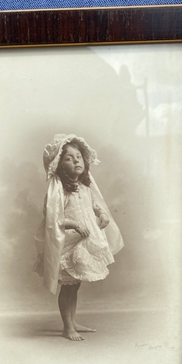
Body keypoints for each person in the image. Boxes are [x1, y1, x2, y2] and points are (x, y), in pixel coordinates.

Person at [34, 134, 124, 341]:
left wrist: (102, 215)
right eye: (69, 158)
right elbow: (52, 219)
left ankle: (72, 322)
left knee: (75, 286)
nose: (76, 161)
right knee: (67, 288)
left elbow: (94, 206)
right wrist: (74, 224)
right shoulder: (58, 191)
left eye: (79, 157)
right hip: (67, 245)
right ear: (58, 164)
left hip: (83, 244)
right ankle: (67, 327)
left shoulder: (85, 187)